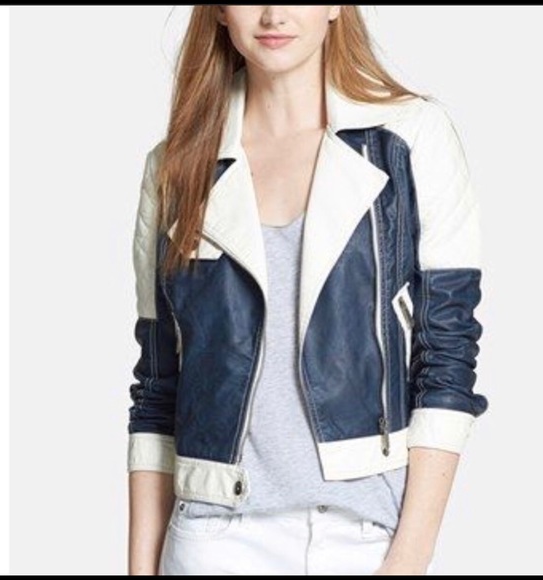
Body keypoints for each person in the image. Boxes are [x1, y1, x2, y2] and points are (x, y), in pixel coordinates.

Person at [126, 5, 488, 576]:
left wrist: (408, 559)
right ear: (219, 11)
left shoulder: (410, 139)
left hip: (362, 539)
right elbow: (157, 388)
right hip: (212, 540)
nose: (274, 15)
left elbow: (446, 361)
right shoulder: (176, 167)